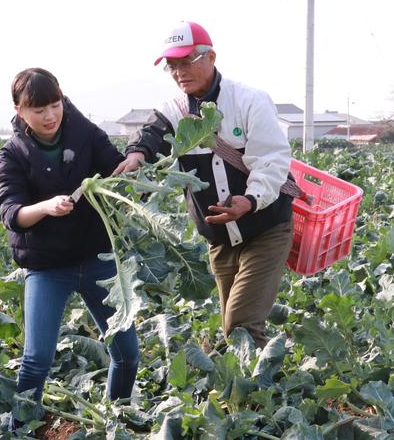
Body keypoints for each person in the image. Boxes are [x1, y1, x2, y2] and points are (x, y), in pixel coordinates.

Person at [113, 21, 294, 349]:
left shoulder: (249, 101)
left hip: (264, 230)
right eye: (172, 66)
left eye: (187, 62)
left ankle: (262, 396)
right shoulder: (174, 109)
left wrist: (249, 201)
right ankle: (263, 390)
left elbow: (271, 160)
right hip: (220, 241)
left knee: (241, 325)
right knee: (232, 329)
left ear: (210, 57)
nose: (179, 72)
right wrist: (136, 155)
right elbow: (151, 133)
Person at [0, 68, 140, 424]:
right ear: (19, 111)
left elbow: (113, 167)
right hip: (47, 267)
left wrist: (133, 162)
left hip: (97, 259)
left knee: (127, 354)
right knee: (36, 359)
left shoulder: (85, 133)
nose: (49, 116)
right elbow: (12, 213)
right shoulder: (12, 154)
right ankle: (19, 430)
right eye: (38, 109)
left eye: (55, 105)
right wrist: (45, 207)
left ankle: (115, 421)